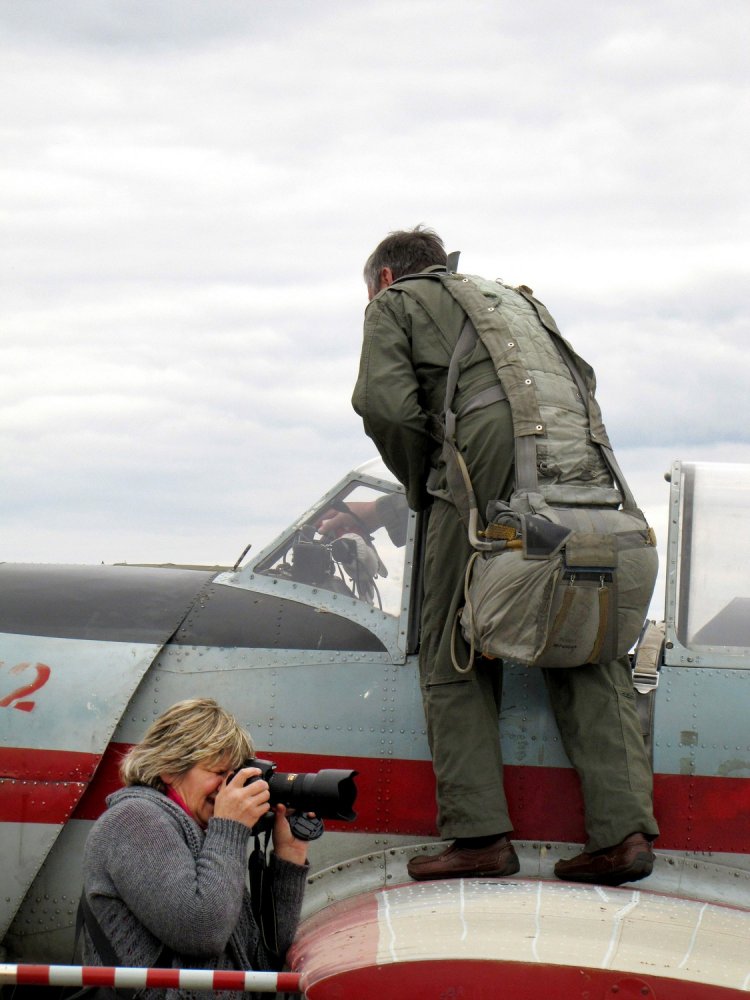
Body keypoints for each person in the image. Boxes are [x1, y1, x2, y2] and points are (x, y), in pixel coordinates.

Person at [351, 226, 659, 886]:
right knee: (584, 637)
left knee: (451, 645)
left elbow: (386, 409)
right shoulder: (516, 302)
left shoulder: (396, 302)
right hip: (576, 481)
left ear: (385, 278)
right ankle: (623, 835)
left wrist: (424, 489)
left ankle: (479, 837)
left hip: (488, 482)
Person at [81, 698, 309, 999]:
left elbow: (259, 967)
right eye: (219, 772)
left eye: (233, 776)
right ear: (170, 768)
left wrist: (289, 856)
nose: (227, 788)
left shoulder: (201, 835)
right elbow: (202, 932)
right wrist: (230, 828)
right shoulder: (134, 819)